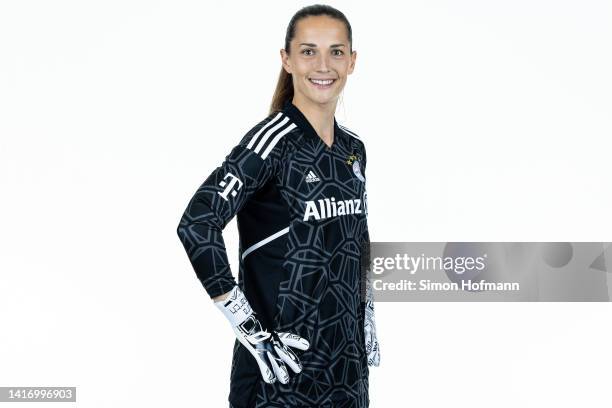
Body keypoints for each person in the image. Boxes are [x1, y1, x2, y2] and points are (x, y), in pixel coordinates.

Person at [177, 4, 380, 407]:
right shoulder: (270, 143)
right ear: (287, 60)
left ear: (352, 61)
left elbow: (356, 237)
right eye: (308, 51)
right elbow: (197, 224)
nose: (323, 65)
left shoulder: (352, 149)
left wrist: (367, 312)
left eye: (336, 51)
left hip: (345, 374)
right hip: (280, 378)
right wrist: (250, 330)